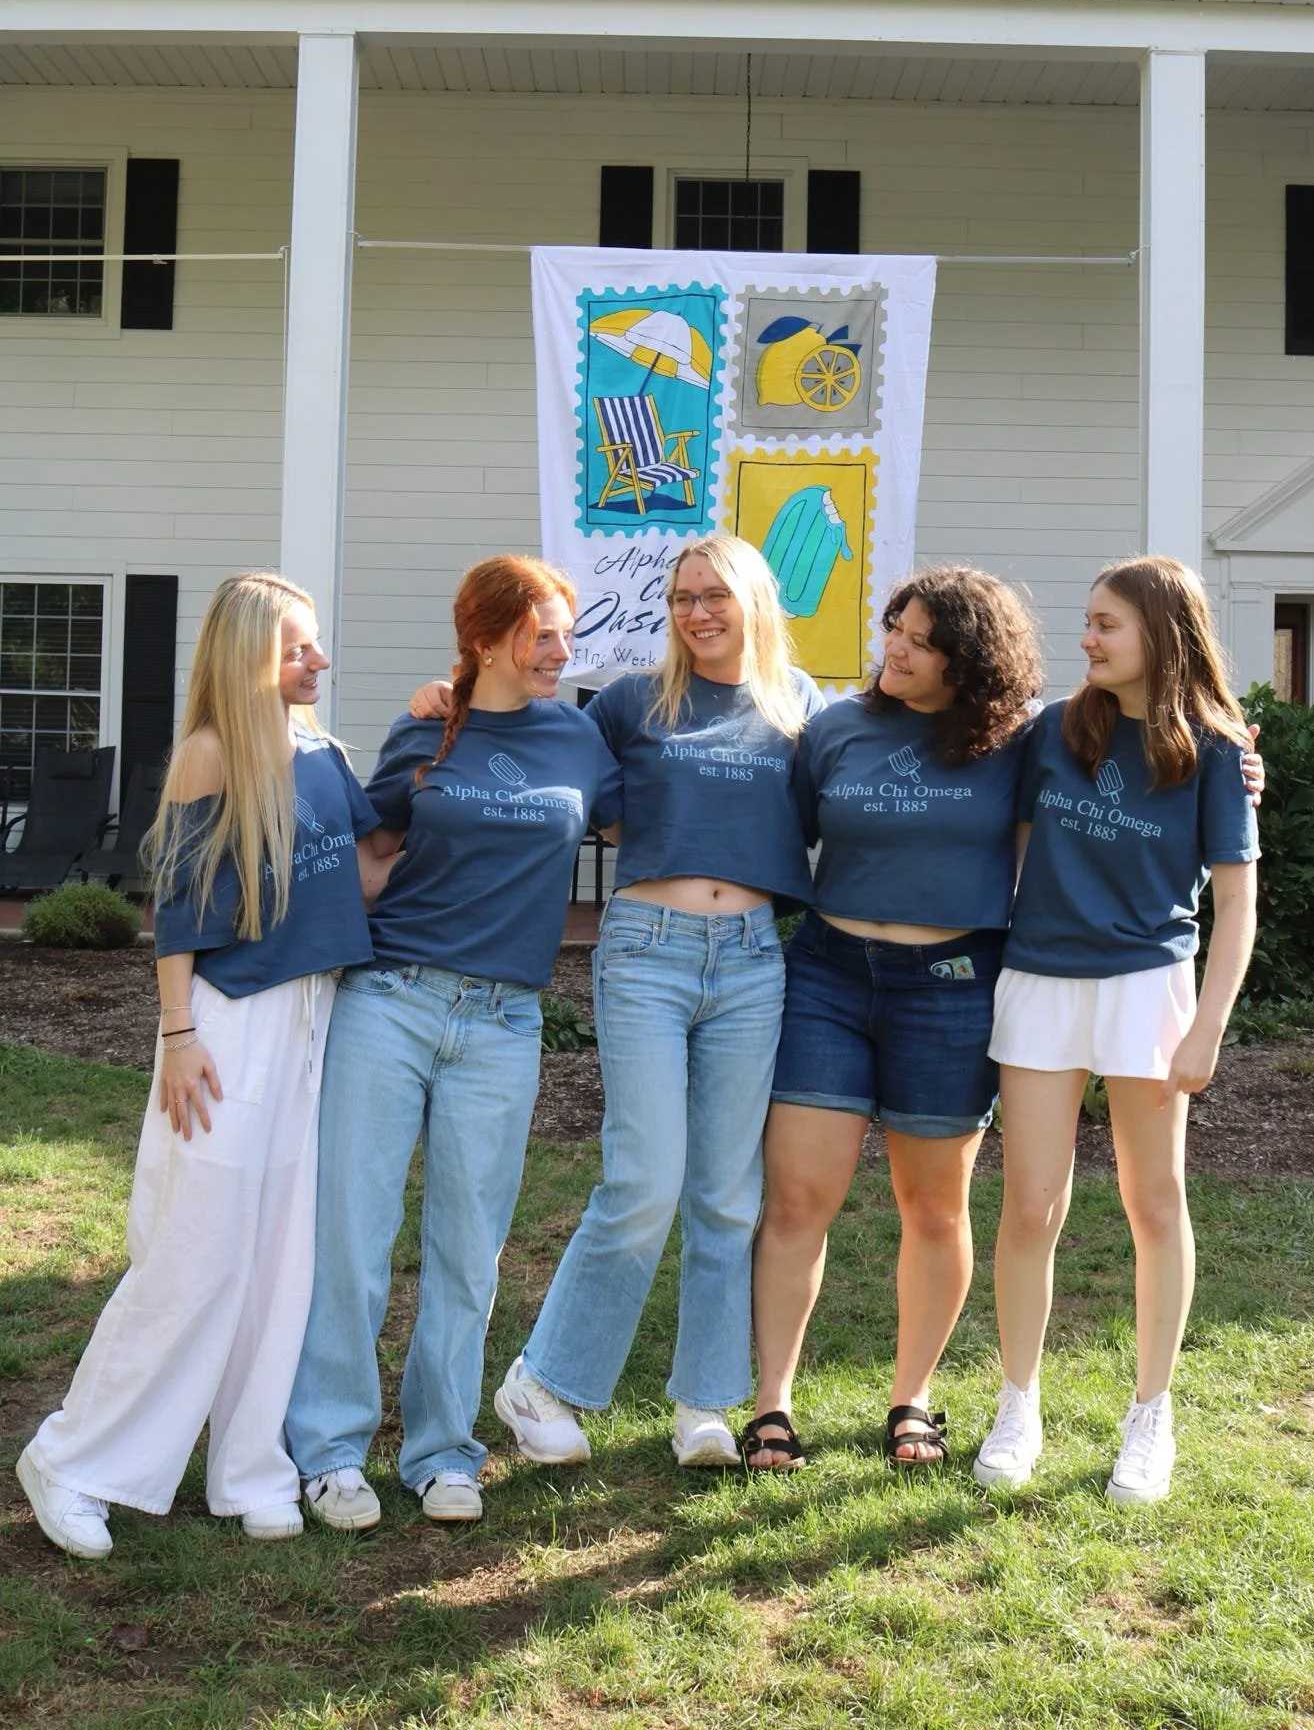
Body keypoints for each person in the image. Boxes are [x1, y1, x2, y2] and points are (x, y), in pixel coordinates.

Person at [17, 571, 381, 1557]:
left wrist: (450, 737)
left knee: (277, 1258)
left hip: (310, 1018)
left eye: (316, 644)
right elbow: (174, 911)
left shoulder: (321, 754)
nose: (318, 660)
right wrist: (177, 1036)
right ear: (248, 653)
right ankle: (71, 1457)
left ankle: (250, 1464)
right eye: (299, 645)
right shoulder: (209, 754)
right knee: (197, 1252)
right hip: (228, 1024)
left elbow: (374, 857)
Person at [285, 555, 622, 1531]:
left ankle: (440, 1450)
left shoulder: (582, 738)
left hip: (504, 1018)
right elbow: (369, 856)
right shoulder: (425, 726)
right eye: (542, 632)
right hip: (388, 998)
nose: (560, 650)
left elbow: (655, 812)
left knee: (467, 1248)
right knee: (353, 1232)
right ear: (484, 636)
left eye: (565, 632)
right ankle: (332, 1450)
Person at [489, 533, 824, 1470]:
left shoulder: (797, 706)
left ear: (754, 601)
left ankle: (705, 1406)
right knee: (643, 1182)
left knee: (726, 1193)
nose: (697, 612)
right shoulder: (635, 702)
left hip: (754, 959)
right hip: (644, 950)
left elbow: (868, 782)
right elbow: (533, 741)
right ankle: (542, 1382)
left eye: (716, 595)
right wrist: (446, 703)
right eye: (682, 598)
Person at [974, 555, 1259, 1507]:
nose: (1087, 640)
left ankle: (1152, 1414)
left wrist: (1207, 1028)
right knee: (1030, 1208)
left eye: (1106, 625)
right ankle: (1018, 1403)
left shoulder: (1214, 751)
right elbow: (1000, 835)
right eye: (1088, 623)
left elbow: (1237, 903)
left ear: (1161, 636)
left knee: (1154, 1204)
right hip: (1041, 983)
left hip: (1148, 987)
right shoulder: (1051, 733)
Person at [744, 567, 1042, 1474]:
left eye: (919, 639)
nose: (896, 650)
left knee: (933, 1205)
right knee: (798, 1198)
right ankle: (771, 1407)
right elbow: (768, 828)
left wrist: (1239, 760)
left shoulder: (1018, 744)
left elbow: (1139, 753)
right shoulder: (832, 731)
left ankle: (911, 1398)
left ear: (969, 659)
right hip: (829, 978)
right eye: (893, 629)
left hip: (951, 984)